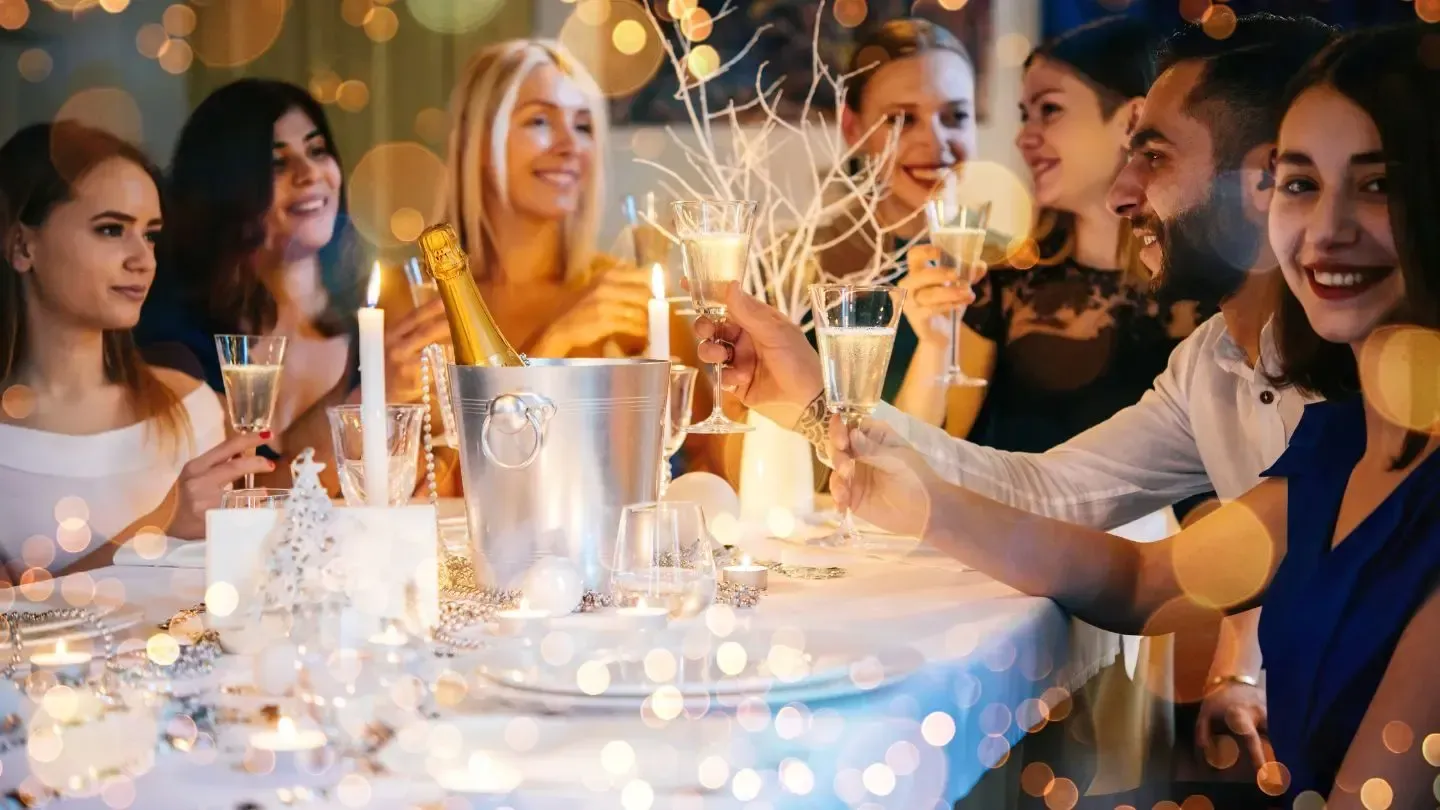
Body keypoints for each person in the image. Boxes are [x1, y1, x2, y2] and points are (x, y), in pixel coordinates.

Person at [695, 11, 1337, 791]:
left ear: (1264, 178)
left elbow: (1149, 581)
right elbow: (1052, 491)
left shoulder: (1367, 378)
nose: (1125, 190)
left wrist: (912, 494)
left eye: (1155, 155)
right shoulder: (1208, 364)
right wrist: (814, 408)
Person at [831, 23, 1440, 803]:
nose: (1326, 228)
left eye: (1378, 183)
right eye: (1302, 183)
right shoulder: (1333, 439)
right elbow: (1139, 575)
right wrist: (828, 421)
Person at [137, 79, 448, 492]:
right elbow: (245, 501)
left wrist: (441, 457)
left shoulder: (380, 325)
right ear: (222, 188)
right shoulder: (176, 341)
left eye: (318, 151)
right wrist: (372, 392)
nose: (310, 174)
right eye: (277, 164)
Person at [0, 122, 269, 577]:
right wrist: (160, 528)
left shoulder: (193, 407)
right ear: (23, 245)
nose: (143, 260)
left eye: (150, 235)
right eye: (110, 230)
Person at [951, 17, 1215, 452]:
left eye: (1049, 110)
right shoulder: (998, 286)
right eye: (1024, 115)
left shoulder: (1207, 297)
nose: (1023, 138)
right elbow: (942, 453)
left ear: (1132, 120)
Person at [809, 18, 981, 425]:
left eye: (955, 116)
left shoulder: (1009, 264)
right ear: (853, 128)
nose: (936, 142)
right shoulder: (800, 266)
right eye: (901, 119)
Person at [439, 38, 652, 359]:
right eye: (539, 121)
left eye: (582, 126)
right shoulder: (420, 300)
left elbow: (708, 409)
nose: (571, 146)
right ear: (477, 143)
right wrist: (556, 338)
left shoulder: (623, 297)